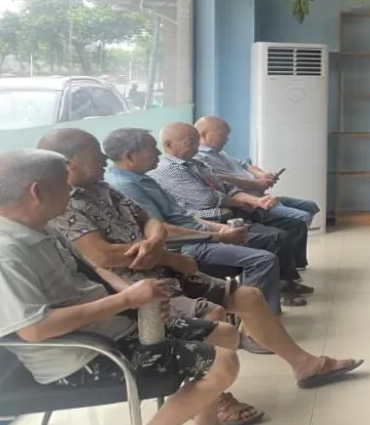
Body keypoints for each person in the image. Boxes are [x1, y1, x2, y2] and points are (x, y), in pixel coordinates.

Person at [34, 129, 363, 386]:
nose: (105, 158)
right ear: (68, 162)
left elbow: (151, 220)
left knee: (248, 296)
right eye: (96, 152)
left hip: (165, 264)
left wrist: (154, 242)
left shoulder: (104, 187)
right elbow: (102, 256)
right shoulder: (62, 204)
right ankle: (219, 399)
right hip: (137, 288)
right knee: (218, 316)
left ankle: (305, 365)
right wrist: (168, 250)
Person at [0, 148, 251, 425]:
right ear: (37, 192)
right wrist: (126, 301)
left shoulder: (42, 227)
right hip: (84, 357)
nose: (70, 189)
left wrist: (137, 297)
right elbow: (35, 329)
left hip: (114, 329)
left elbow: (94, 270)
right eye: (63, 182)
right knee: (222, 364)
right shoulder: (7, 253)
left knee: (226, 333)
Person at [103, 127, 296, 313]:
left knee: (271, 236)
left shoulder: (144, 178)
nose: (158, 153)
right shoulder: (126, 186)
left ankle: (255, 310)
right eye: (152, 149)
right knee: (263, 259)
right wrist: (217, 235)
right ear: (129, 155)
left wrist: (221, 230)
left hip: (199, 232)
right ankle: (258, 321)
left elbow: (184, 216)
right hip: (185, 246)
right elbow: (163, 230)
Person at [149, 122, 312, 285]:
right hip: (211, 223)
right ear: (168, 145)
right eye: (190, 142)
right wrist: (246, 202)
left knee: (290, 226)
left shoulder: (196, 164)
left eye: (196, 141)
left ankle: (283, 281)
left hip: (233, 214)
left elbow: (227, 187)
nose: (196, 146)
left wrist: (257, 201)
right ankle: (276, 286)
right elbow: (208, 199)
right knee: (276, 238)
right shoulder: (168, 170)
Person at [194, 116, 320, 227]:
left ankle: (292, 237)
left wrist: (262, 174)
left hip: (261, 195)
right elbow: (218, 179)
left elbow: (244, 164)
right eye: (223, 134)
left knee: (311, 206)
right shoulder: (198, 158)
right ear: (205, 134)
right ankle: (290, 240)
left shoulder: (220, 152)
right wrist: (256, 184)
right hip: (249, 203)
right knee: (303, 217)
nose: (227, 139)